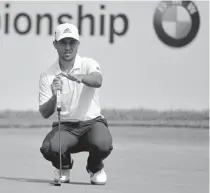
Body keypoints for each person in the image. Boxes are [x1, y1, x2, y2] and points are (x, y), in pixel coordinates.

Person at [39, 22, 113, 185]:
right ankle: (63, 165)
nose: (67, 47)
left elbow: (98, 80)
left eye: (72, 43)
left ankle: (94, 168)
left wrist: (82, 78)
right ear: (55, 45)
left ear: (78, 44)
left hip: (92, 124)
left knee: (103, 144)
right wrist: (54, 95)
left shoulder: (88, 64)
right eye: (63, 43)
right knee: (49, 148)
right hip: (65, 127)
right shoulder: (47, 75)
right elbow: (44, 113)